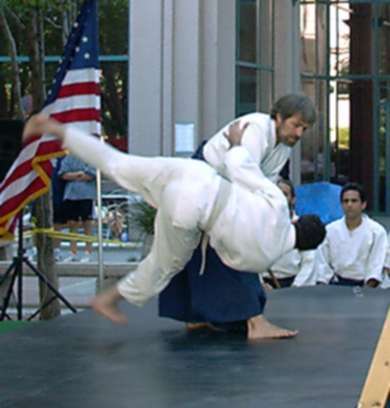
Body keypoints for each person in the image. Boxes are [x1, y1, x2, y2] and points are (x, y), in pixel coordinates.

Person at [23, 113, 325, 329]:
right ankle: (109, 299)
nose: (299, 133)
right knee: (164, 265)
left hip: (194, 173)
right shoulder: (263, 258)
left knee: (119, 163)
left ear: (298, 218)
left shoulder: (274, 200)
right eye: (297, 125)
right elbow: (226, 255)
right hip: (193, 210)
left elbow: (240, 167)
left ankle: (55, 128)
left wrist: (235, 146)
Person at [159, 93, 317, 339]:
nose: (298, 134)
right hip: (206, 180)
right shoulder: (254, 129)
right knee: (239, 248)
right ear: (278, 117)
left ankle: (195, 315)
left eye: (304, 129)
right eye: (295, 125)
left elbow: (264, 184)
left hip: (217, 186)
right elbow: (240, 173)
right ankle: (255, 322)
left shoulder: (283, 148)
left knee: (203, 250)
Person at [316, 183, 387, 288]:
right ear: (341, 205)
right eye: (346, 201)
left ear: (363, 205)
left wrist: (366, 290)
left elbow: (376, 265)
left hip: (365, 287)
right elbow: (322, 262)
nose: (349, 205)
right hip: (335, 284)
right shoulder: (330, 230)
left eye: (354, 201)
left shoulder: (377, 231)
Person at [262, 178, 317, 289]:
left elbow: (309, 262)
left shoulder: (301, 226)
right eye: (277, 194)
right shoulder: (261, 225)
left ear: (293, 199)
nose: (280, 198)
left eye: (285, 194)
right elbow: (250, 256)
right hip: (265, 284)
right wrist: (260, 284)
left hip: (293, 283)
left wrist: (296, 287)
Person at [58, 154, 96, 262]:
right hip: (70, 195)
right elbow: (63, 174)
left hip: (87, 195)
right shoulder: (69, 157)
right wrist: (78, 174)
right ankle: (73, 253)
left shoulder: (91, 156)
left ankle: (88, 253)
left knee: (87, 224)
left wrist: (73, 175)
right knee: (72, 224)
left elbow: (90, 175)